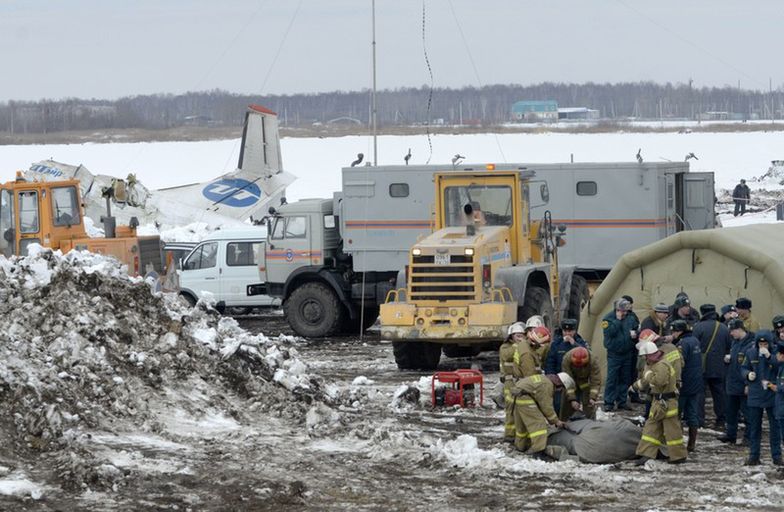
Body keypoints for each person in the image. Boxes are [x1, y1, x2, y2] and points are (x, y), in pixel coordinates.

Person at [631, 340, 687, 465]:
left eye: (645, 356)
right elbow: (646, 381)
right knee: (650, 429)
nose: (644, 359)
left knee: (672, 431)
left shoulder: (661, 365)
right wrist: (634, 387)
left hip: (667, 403)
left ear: (649, 355)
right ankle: (645, 454)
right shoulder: (654, 364)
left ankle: (678, 456)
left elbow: (660, 381)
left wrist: (648, 374)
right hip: (659, 403)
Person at [740, 330, 781, 466]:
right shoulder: (751, 352)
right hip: (755, 393)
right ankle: (754, 455)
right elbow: (743, 367)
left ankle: (777, 456)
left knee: (775, 427)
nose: (763, 346)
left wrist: (769, 357)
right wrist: (747, 375)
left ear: (770, 343)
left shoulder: (777, 352)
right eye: (760, 344)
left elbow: (780, 367)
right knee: (754, 427)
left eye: (765, 344)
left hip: (772, 394)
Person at [510, 372, 575, 457]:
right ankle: (538, 450)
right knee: (538, 424)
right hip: (525, 397)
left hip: (518, 396)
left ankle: (521, 446)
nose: (559, 391)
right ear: (559, 383)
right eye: (561, 388)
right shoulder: (547, 385)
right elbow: (546, 406)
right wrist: (556, 421)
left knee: (522, 424)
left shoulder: (544, 379)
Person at [692, 304, 730, 430]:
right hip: (719, 367)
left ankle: (699, 420)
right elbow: (728, 346)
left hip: (701, 366)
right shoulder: (724, 327)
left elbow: (694, 345)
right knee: (720, 394)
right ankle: (721, 419)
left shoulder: (698, 327)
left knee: (699, 394)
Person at [718, 319, 755, 445]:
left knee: (748, 413)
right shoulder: (735, 342)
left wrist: (748, 384)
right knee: (731, 411)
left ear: (739, 329)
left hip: (743, 384)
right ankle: (731, 434)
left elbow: (752, 366)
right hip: (732, 383)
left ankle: (749, 437)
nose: (731, 334)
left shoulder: (751, 344)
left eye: (733, 331)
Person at [672, 321, 704, 451]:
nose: (673, 334)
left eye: (674, 331)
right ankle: (691, 444)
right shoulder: (695, 340)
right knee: (692, 414)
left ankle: (677, 443)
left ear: (679, 331)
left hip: (684, 383)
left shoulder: (682, 344)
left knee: (676, 414)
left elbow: (680, 363)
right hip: (696, 382)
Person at [545, 318, 587, 412]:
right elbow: (550, 361)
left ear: (575, 331)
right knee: (558, 404)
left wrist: (574, 344)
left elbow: (587, 355)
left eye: (570, 331)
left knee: (575, 404)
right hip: (560, 379)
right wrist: (551, 376)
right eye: (565, 331)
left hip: (576, 379)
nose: (567, 334)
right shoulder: (556, 344)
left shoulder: (580, 342)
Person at [603, 298, 635, 411]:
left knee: (625, 378)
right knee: (612, 378)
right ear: (617, 310)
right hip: (614, 354)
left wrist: (635, 334)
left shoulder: (630, 318)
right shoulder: (607, 319)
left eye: (626, 311)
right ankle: (609, 402)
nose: (625, 313)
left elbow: (635, 327)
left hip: (627, 353)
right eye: (623, 311)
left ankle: (622, 401)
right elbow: (609, 333)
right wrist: (617, 320)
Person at [499, 322, 526, 442]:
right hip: (510, 381)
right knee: (510, 408)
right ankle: (509, 435)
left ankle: (520, 434)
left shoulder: (525, 346)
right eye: (517, 335)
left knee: (522, 408)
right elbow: (507, 355)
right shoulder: (505, 347)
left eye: (522, 335)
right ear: (511, 336)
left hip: (521, 381)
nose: (520, 338)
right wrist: (519, 345)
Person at [559, 346, 602, 420]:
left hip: (584, 381)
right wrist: (572, 399)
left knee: (589, 402)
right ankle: (564, 420)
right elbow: (567, 381)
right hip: (571, 379)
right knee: (567, 402)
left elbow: (595, 381)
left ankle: (589, 420)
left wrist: (593, 397)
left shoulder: (593, 361)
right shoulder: (566, 359)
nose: (579, 367)